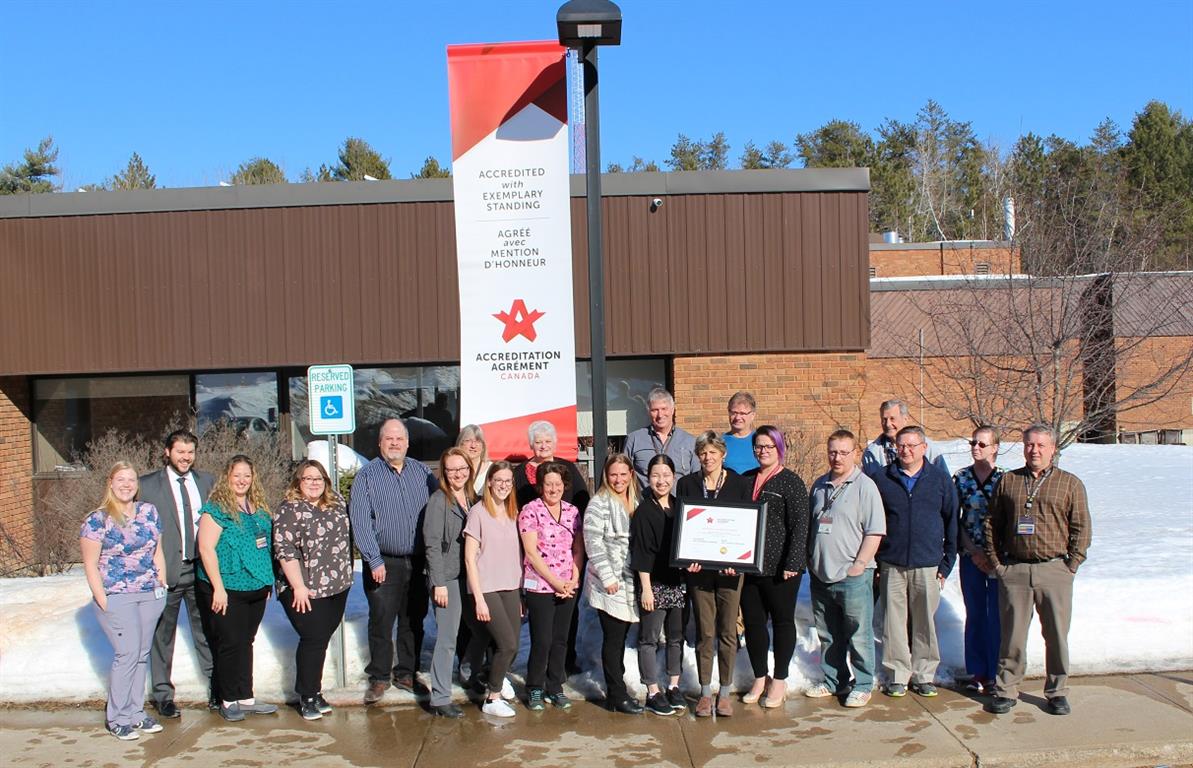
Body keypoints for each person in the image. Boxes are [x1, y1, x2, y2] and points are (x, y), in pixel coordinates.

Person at [984, 424, 1091, 717]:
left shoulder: (1069, 484)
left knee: (1056, 635)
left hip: (1054, 570)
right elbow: (992, 523)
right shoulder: (1009, 481)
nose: (1035, 451)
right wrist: (998, 564)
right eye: (1030, 445)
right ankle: (1006, 690)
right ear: (1023, 447)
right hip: (1015, 571)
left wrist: (1072, 564)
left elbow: (1081, 527)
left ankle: (1057, 691)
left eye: (1041, 445)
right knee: (1012, 636)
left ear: (1053, 449)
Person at [350, 418, 438, 705]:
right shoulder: (367, 476)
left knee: (413, 620)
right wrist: (373, 560)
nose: (395, 443)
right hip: (383, 562)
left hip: (417, 561)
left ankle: (406, 673)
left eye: (399, 438)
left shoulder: (423, 473)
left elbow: (437, 511)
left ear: (408, 442)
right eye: (389, 438)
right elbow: (360, 522)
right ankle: (378, 678)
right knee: (381, 621)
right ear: (380, 443)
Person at [80, 461, 168, 740]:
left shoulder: (149, 512)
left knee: (141, 656)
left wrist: (161, 585)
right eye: (121, 479)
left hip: (149, 593)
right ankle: (117, 718)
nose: (127, 485)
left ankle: (135, 713)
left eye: (131, 480)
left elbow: (158, 552)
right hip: (117, 595)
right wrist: (103, 599)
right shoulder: (97, 519)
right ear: (110, 482)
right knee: (126, 654)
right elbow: (91, 565)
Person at [871, 426, 958, 698]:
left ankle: (924, 675)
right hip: (892, 563)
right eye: (901, 446)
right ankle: (897, 674)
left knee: (924, 622)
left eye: (912, 445)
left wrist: (946, 564)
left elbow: (952, 521)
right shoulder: (881, 479)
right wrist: (877, 560)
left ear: (924, 448)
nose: (906, 451)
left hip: (928, 564)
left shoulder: (940, 480)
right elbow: (872, 521)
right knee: (893, 621)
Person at [804, 430, 885, 709]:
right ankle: (835, 680)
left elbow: (875, 532)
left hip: (852, 576)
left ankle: (863, 684)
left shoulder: (865, 486)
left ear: (855, 453)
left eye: (843, 452)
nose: (837, 457)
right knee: (828, 634)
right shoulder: (819, 485)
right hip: (821, 575)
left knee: (858, 634)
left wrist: (859, 565)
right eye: (832, 452)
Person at [139, 429, 216, 718]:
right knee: (163, 635)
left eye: (190, 452)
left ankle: (216, 689)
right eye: (180, 452)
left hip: (201, 569)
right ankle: (163, 694)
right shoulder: (147, 486)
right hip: (166, 571)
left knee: (207, 630)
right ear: (167, 452)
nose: (185, 457)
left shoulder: (207, 482)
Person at [195, 454, 278, 721]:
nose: (242, 480)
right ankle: (228, 699)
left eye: (247, 475)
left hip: (255, 587)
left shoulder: (259, 509)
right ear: (227, 478)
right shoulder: (216, 509)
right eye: (236, 475)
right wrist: (218, 588)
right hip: (227, 587)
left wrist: (267, 581)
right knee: (230, 643)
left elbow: (265, 547)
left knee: (246, 641)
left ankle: (246, 696)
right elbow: (206, 549)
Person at [675, 430, 751, 718]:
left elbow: (745, 526)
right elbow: (684, 527)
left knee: (728, 631)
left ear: (723, 454)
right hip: (699, 572)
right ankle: (706, 692)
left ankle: (725, 692)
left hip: (731, 570)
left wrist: (739, 561)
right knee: (706, 632)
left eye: (712, 452)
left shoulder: (740, 484)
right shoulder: (687, 484)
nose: (708, 458)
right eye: (703, 453)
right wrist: (687, 559)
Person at [273, 460, 352, 721]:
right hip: (303, 588)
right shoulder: (289, 510)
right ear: (299, 482)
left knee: (322, 637)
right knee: (313, 637)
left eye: (318, 478)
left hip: (337, 585)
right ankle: (306, 694)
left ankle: (315, 691)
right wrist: (298, 586)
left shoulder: (337, 502)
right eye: (308, 479)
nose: (314, 483)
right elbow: (285, 551)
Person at [739, 425, 810, 708]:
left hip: (781, 568)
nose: (763, 451)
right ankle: (760, 677)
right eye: (758, 446)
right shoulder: (745, 481)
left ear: (779, 448)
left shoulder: (791, 482)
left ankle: (779, 680)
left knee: (782, 623)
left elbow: (800, 525)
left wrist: (793, 562)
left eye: (769, 446)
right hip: (749, 566)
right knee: (754, 624)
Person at [518, 461, 584, 711]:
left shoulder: (572, 512)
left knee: (560, 639)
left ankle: (555, 686)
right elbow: (531, 553)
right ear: (540, 486)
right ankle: (535, 686)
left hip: (567, 585)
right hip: (541, 586)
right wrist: (556, 582)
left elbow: (578, 548)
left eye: (558, 484)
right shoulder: (530, 511)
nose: (553, 488)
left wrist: (573, 579)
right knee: (542, 639)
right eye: (548, 484)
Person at [583, 453, 644, 715]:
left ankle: (617, 689)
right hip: (609, 582)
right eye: (612, 475)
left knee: (621, 638)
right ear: (606, 477)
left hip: (631, 580)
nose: (618, 479)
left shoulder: (637, 500)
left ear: (631, 474)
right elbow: (593, 543)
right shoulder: (599, 503)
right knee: (614, 639)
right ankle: (616, 694)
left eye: (622, 474)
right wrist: (607, 577)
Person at [463, 462, 524, 718]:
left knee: (514, 645)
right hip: (487, 588)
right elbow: (469, 558)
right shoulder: (478, 513)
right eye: (498, 480)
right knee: (507, 644)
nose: (503, 485)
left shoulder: (512, 512)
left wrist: (520, 594)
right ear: (489, 482)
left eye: (508, 481)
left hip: (510, 586)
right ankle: (493, 697)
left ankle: (494, 677)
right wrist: (478, 599)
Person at [630, 454, 689, 716]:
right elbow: (641, 552)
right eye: (656, 475)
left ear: (673, 477)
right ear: (648, 478)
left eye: (666, 475)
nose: (661, 480)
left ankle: (674, 686)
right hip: (653, 584)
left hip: (677, 583)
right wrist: (646, 588)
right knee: (649, 639)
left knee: (676, 637)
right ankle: (653, 690)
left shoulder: (681, 507)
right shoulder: (644, 510)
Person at [423, 447, 476, 718]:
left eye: (462, 468)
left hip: (471, 576)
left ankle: (469, 672)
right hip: (448, 578)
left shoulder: (472, 498)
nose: (458, 474)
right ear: (444, 473)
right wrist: (438, 582)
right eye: (452, 469)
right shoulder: (438, 501)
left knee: (480, 630)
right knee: (447, 638)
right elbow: (431, 544)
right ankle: (440, 697)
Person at [954, 426, 1006, 695]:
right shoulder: (961, 478)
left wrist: (991, 555)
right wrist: (973, 552)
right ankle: (977, 672)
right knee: (975, 613)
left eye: (982, 444)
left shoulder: (1006, 480)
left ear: (995, 447)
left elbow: (1009, 521)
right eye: (973, 443)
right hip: (970, 555)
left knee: (996, 615)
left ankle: (996, 671)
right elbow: (956, 518)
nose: (976, 447)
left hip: (998, 558)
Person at [623, 387, 699, 488]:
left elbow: (696, 480)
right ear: (648, 412)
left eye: (664, 409)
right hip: (644, 502)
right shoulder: (634, 440)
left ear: (672, 410)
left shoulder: (690, 442)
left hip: (678, 501)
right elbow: (624, 476)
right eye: (655, 410)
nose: (660, 415)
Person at [513, 420, 590, 510]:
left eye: (548, 441)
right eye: (538, 442)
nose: (543, 446)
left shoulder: (568, 467)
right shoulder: (519, 472)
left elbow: (582, 498)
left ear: (554, 443)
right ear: (531, 445)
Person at [861, 399, 950, 476]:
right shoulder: (871, 453)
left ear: (905, 420)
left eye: (892, 419)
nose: (888, 424)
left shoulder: (927, 447)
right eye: (884, 419)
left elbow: (944, 481)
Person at [722, 392, 759, 475]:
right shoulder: (719, 442)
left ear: (752, 415)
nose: (737, 418)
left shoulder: (760, 441)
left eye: (742, 413)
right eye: (734, 413)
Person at [457, 424, 493, 496]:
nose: (473, 446)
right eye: (468, 441)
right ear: (460, 444)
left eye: (478, 441)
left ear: (483, 446)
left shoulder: (492, 469)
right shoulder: (453, 469)